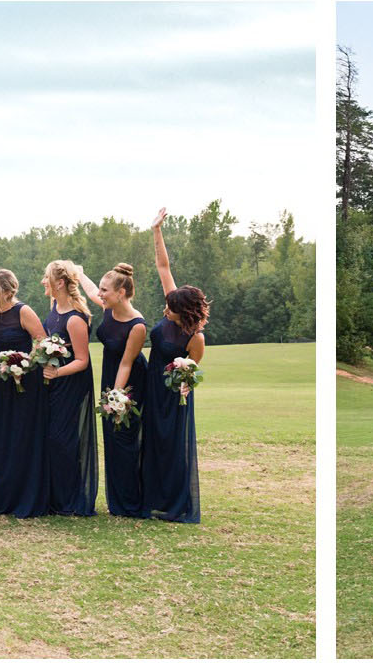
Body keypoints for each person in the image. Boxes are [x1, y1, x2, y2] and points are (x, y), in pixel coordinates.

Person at [142, 211, 206, 522]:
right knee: (150, 442)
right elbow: (163, 266)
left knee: (171, 444)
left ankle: (174, 502)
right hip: (150, 384)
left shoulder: (195, 337)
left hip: (173, 395)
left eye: (170, 307)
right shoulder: (172, 307)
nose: (165, 308)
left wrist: (184, 381)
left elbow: (191, 373)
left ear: (183, 311)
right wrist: (156, 231)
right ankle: (150, 497)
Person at [0, 269, 52, 518]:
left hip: (25, 382)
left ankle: (26, 496)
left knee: (23, 436)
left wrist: (24, 363)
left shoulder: (23, 311)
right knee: (1, 436)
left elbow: (43, 342)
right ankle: (4, 496)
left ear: (6, 291)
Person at [82, 263, 148, 518]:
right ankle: (116, 500)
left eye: (105, 290)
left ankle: (130, 502)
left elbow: (127, 363)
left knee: (125, 438)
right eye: (100, 288)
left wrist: (115, 398)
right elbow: (89, 291)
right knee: (110, 437)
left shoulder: (137, 325)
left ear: (121, 293)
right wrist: (78, 273)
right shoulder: (108, 308)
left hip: (129, 383)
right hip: (111, 377)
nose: (100, 294)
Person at [41, 259, 98, 517]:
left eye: (47, 277)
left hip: (70, 385)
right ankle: (53, 495)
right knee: (51, 439)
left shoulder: (75, 319)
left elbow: (83, 361)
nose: (43, 281)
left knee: (62, 440)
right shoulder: (54, 307)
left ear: (60, 283)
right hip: (52, 385)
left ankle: (69, 499)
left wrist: (56, 372)